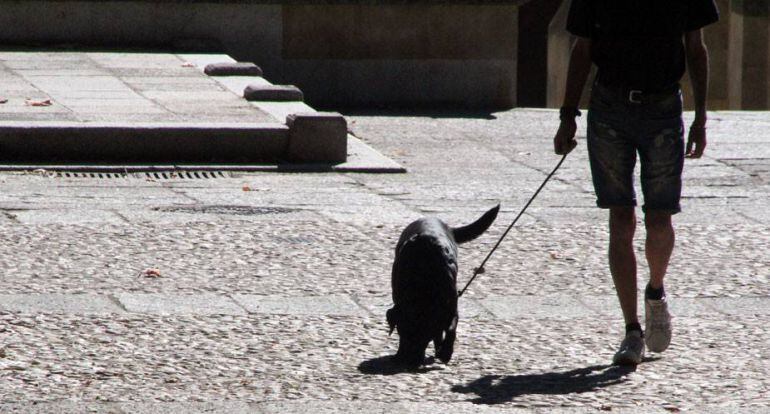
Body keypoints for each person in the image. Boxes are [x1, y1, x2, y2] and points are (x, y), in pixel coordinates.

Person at [553, 0, 719, 365]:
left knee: (660, 217)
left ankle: (655, 290)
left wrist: (701, 116)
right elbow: (582, 48)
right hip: (609, 108)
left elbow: (696, 46)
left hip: (662, 109)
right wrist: (568, 115)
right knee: (620, 218)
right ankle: (631, 330)